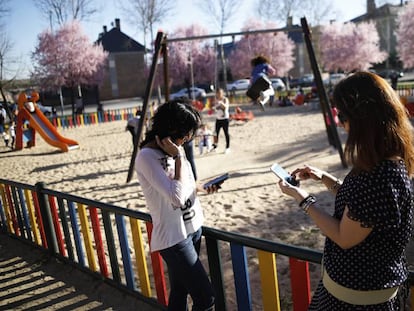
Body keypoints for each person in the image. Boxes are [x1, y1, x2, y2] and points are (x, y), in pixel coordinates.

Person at [278, 71, 414, 310]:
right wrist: (324, 178)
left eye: (341, 115)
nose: (340, 122)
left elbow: (344, 237)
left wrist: (302, 199)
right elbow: (362, 209)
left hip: (356, 300)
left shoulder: (380, 175)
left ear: (363, 118)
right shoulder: (382, 160)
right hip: (348, 289)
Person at [135, 100, 216, 311]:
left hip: (193, 228)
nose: (188, 139)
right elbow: (176, 197)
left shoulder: (175, 150)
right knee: (206, 298)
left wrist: (204, 188)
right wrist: (179, 156)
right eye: (186, 133)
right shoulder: (147, 157)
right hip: (174, 238)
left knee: (180, 291)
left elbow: (186, 184)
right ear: (171, 129)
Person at [212, 88, 230, 154]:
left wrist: (220, 103)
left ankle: (227, 147)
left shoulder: (225, 99)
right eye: (218, 93)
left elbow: (225, 107)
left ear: (222, 93)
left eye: (220, 93)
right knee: (216, 133)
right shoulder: (215, 100)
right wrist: (213, 107)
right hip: (218, 119)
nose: (219, 94)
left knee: (226, 133)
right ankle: (215, 147)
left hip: (225, 119)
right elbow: (214, 109)